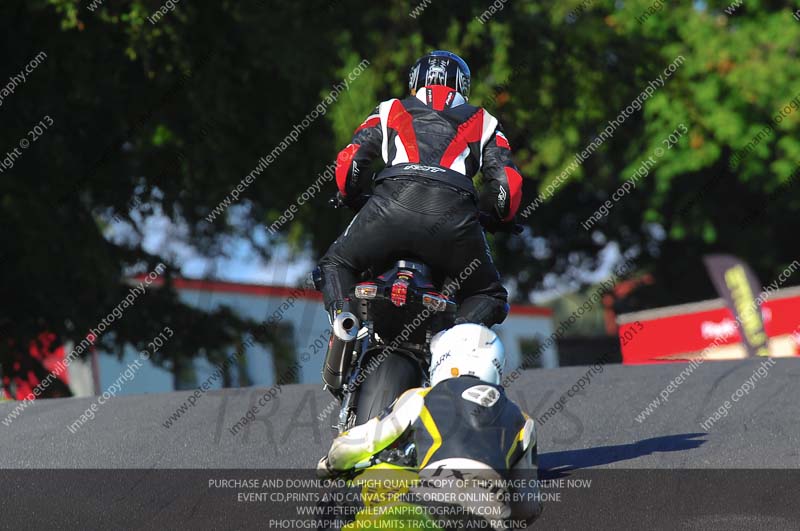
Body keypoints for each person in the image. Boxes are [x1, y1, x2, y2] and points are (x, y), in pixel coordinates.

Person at [317, 50, 525, 328]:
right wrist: (502, 219)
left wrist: (349, 194)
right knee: (488, 294)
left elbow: (350, 162)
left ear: (414, 82)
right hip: (454, 221)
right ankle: (457, 348)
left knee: (335, 264)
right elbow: (508, 187)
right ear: (463, 86)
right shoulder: (485, 121)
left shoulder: (389, 108)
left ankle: (345, 325)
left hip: (388, 208)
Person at [316, 324, 542, 530]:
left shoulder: (421, 397)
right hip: (489, 521)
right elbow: (527, 508)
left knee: (341, 501)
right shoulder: (524, 422)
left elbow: (364, 441)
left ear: (443, 359)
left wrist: (330, 464)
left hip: (432, 506)